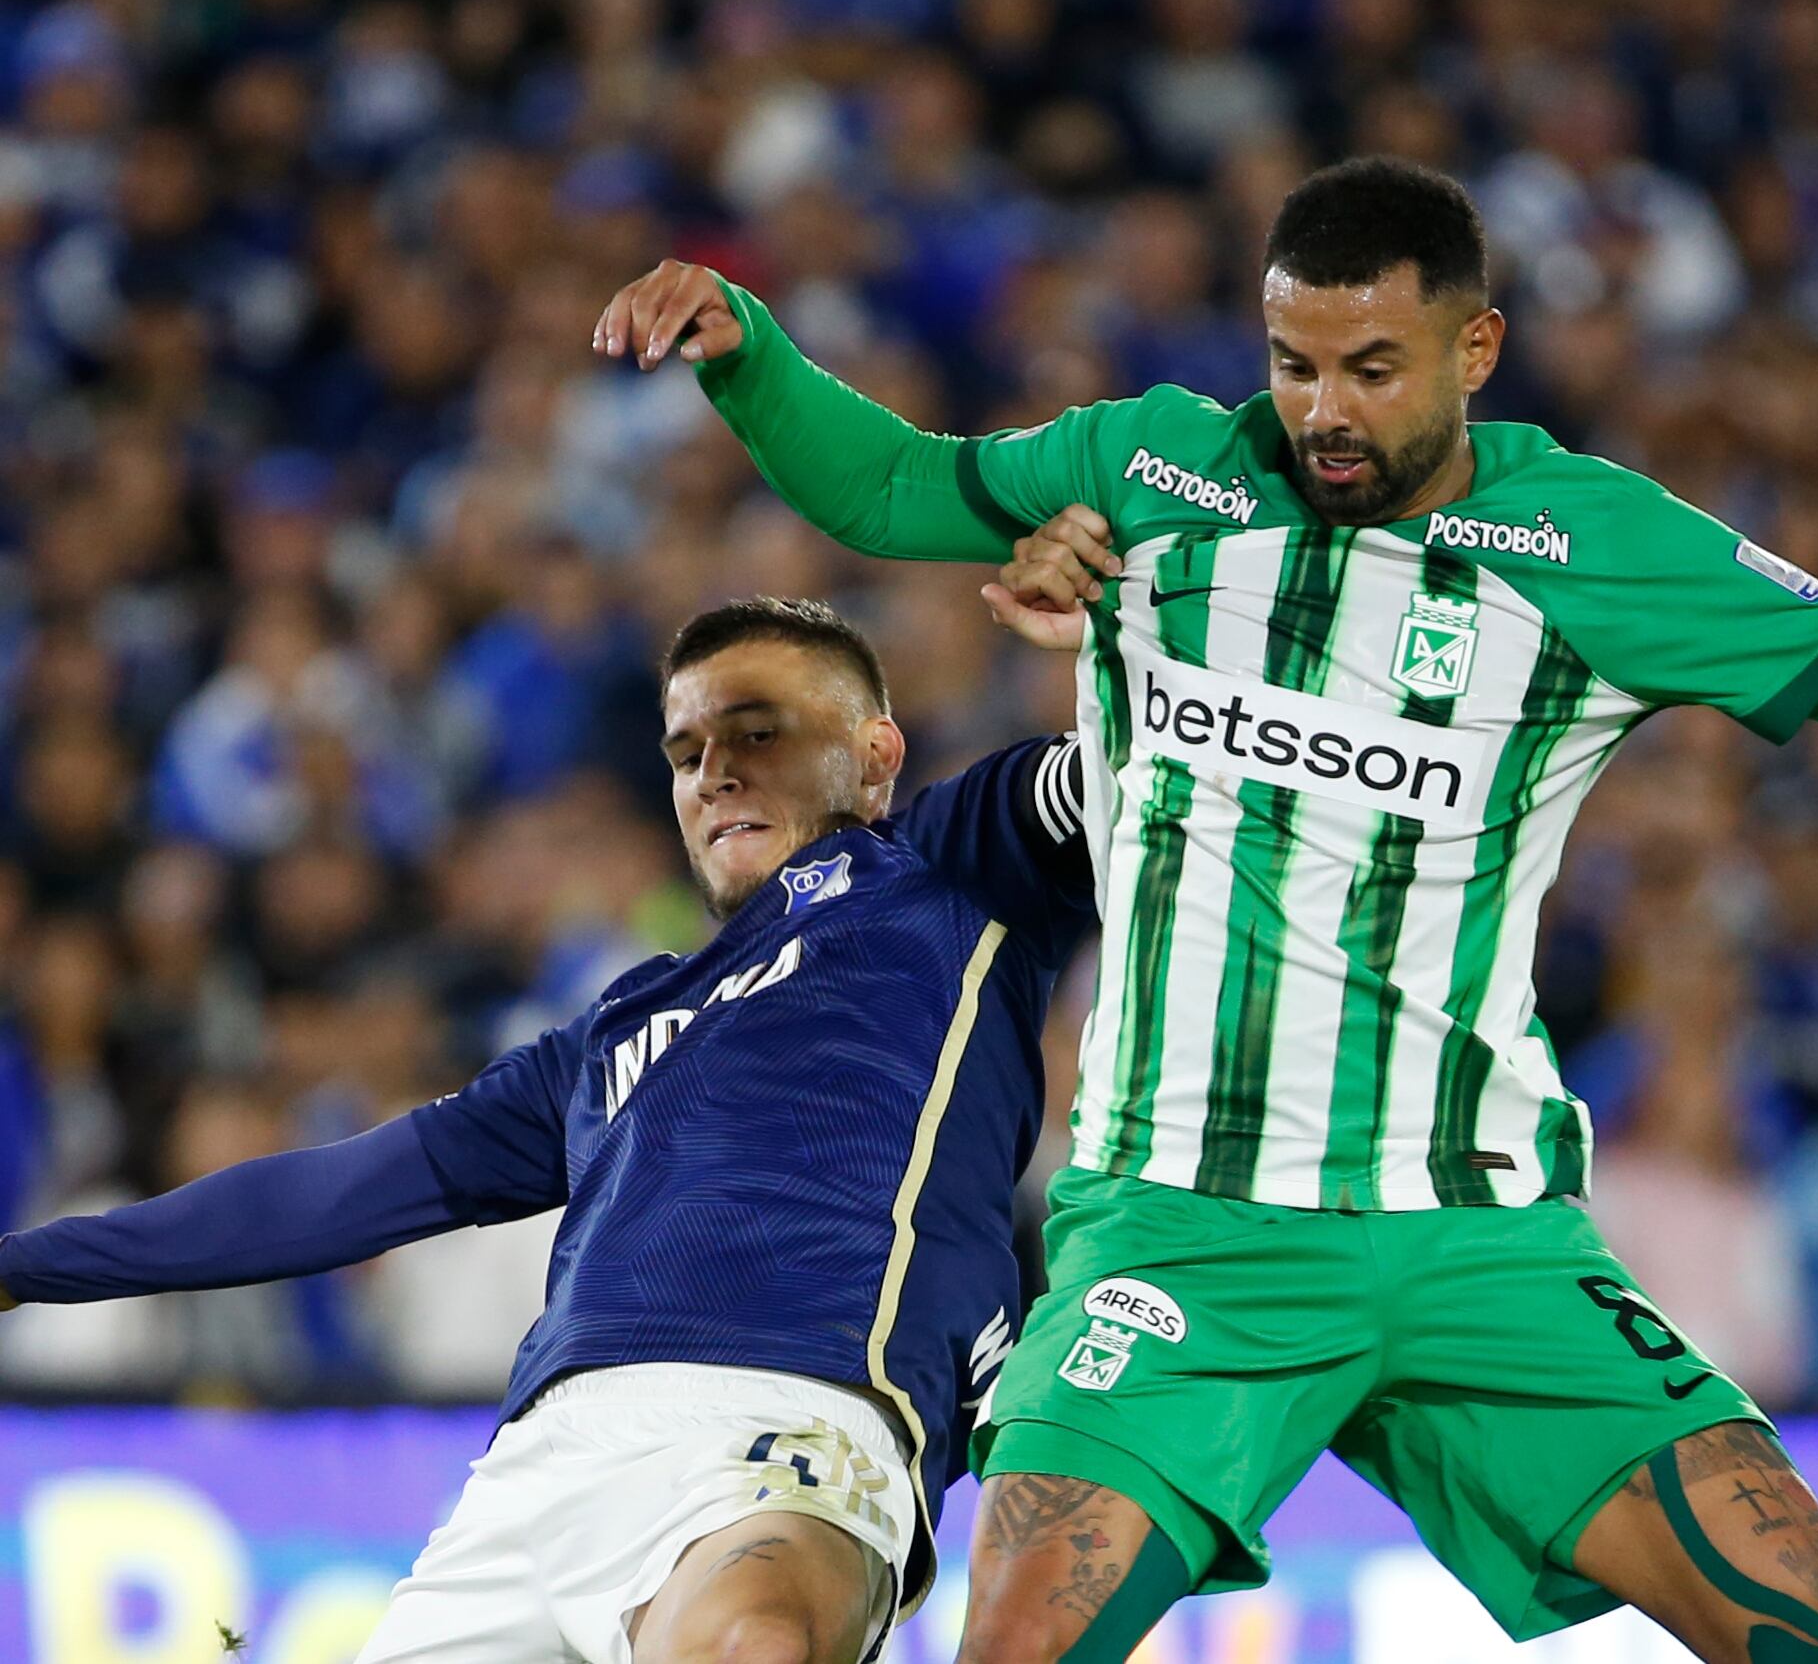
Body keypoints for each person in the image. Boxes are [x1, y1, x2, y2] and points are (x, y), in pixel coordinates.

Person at [598, 158, 1818, 1664]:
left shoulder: (1587, 545)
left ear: (1475, 347)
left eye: (1371, 367)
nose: (1320, 409)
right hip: (1182, 1226)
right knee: (1016, 1647)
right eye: (1293, 361)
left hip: (1476, 1235)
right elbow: (894, 486)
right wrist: (750, 354)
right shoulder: (1153, 472)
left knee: (1813, 1626)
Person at [0, 597, 1096, 1664]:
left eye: (757, 731)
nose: (712, 769)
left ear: (872, 754)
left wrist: (1138, 630)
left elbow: (1164, 772)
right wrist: (24, 1267)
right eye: (684, 748)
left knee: (751, 1642)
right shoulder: (606, 1036)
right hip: (541, 1464)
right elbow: (333, 1194)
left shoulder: (949, 867)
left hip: (800, 1413)